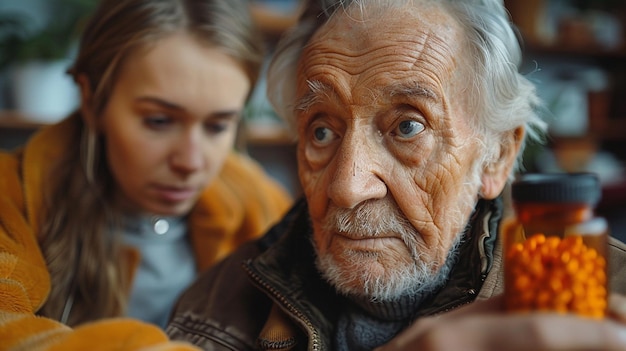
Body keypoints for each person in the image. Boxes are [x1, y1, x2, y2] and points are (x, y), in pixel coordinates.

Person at [165, 0, 626, 350]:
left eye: (408, 126)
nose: (347, 186)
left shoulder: (601, 297)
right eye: (322, 131)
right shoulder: (218, 306)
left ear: (496, 157)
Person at [0, 0, 292, 349]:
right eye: (158, 121)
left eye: (217, 125)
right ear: (92, 101)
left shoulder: (260, 204)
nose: (191, 162)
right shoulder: (10, 198)